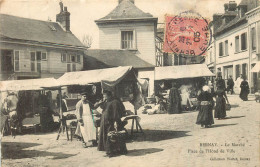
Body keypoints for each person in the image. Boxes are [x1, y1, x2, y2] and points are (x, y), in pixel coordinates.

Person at [97, 90, 127, 157]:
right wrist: (100, 103)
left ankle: (111, 151)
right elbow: (102, 108)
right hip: (104, 122)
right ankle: (109, 150)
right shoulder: (107, 101)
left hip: (110, 122)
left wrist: (115, 122)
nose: (104, 97)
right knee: (105, 135)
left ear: (109, 95)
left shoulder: (114, 102)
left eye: (105, 95)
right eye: (103, 95)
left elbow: (116, 113)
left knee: (111, 136)